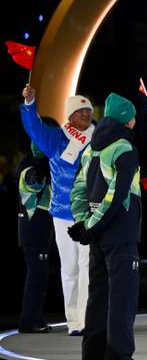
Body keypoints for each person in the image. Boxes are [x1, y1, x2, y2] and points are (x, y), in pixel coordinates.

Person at [69, 93, 147, 360]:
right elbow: (118, 195)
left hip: (97, 235)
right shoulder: (124, 147)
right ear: (127, 119)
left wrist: (83, 222)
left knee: (98, 295)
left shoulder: (92, 147)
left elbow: (78, 187)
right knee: (122, 297)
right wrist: (94, 225)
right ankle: (118, 359)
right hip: (119, 232)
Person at [20, 84, 94, 334]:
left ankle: (86, 318)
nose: (86, 115)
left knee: (87, 266)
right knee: (70, 267)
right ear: (70, 115)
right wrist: (30, 104)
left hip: (89, 213)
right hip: (62, 213)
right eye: (81, 111)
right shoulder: (56, 139)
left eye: (89, 111)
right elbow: (34, 128)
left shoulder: (99, 139)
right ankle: (73, 321)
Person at [16, 143, 54, 333]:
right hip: (33, 230)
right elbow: (35, 183)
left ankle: (33, 318)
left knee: (39, 276)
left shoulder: (32, 164)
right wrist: (46, 167)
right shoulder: (29, 167)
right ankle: (29, 321)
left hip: (37, 231)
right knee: (36, 277)